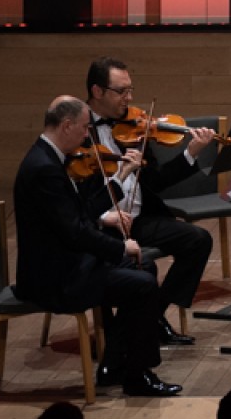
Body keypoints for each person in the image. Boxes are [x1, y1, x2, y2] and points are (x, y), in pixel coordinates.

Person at [14, 96, 177, 396]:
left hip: (65, 263)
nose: (87, 135)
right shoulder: (44, 169)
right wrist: (120, 248)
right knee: (142, 285)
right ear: (67, 125)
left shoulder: (49, 158)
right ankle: (137, 375)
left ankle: (114, 363)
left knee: (145, 266)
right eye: (84, 128)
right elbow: (76, 233)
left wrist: (119, 178)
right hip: (55, 278)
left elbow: (82, 213)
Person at [80, 56, 214, 346]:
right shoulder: (76, 131)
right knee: (133, 265)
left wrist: (190, 153)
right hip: (100, 226)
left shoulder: (132, 127)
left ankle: (152, 316)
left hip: (138, 219)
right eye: (121, 91)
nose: (129, 98)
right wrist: (103, 217)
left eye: (130, 90)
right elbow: (73, 195)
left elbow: (155, 181)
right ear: (97, 91)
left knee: (198, 240)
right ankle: (115, 338)